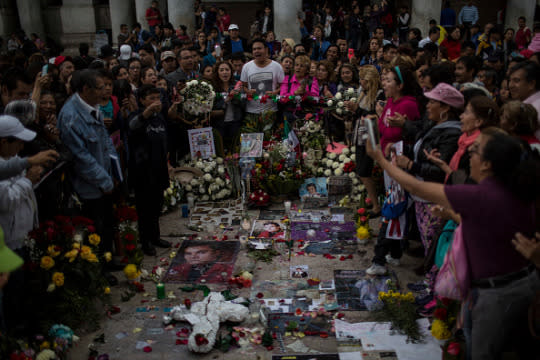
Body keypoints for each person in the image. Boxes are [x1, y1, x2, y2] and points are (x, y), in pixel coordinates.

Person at [365, 129, 540, 359]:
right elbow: (487, 225)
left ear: (487, 165)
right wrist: (453, 214)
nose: (469, 154)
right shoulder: (512, 189)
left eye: (474, 150)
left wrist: (380, 160)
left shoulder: (484, 195)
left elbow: (417, 188)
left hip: (498, 294)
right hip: (505, 286)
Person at [57, 69, 119, 285]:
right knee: (96, 229)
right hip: (89, 185)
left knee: (108, 223)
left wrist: (114, 171)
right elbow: (81, 158)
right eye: (100, 88)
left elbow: (104, 141)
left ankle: (108, 260)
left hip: (105, 177)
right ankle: (98, 272)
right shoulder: (71, 116)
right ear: (85, 89)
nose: (104, 92)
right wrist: (103, 180)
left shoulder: (93, 107)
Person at [127, 85, 171, 256]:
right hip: (142, 171)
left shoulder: (159, 118)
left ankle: (155, 237)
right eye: (151, 98)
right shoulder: (136, 116)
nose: (155, 102)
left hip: (159, 168)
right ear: (142, 100)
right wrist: (146, 113)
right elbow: (132, 127)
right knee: (144, 209)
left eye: (157, 98)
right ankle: (145, 242)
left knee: (157, 205)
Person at [240, 39, 284, 134]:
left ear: (266, 50)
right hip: (251, 111)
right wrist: (247, 91)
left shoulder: (277, 66)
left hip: (270, 111)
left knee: (269, 141)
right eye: (254, 49)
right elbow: (242, 86)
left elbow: (283, 86)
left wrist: (275, 93)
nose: (256, 51)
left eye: (259, 48)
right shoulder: (247, 67)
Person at [210, 61, 245, 152]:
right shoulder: (213, 87)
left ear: (231, 72)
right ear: (217, 72)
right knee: (221, 150)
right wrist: (226, 100)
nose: (224, 72)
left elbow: (243, 104)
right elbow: (212, 107)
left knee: (234, 149)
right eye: (221, 70)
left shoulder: (237, 85)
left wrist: (235, 97)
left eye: (227, 70)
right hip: (219, 123)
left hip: (235, 122)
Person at [508, 61, 540, 139]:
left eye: (516, 80)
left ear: (531, 84)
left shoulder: (536, 109)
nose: (510, 85)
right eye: (510, 80)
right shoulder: (524, 105)